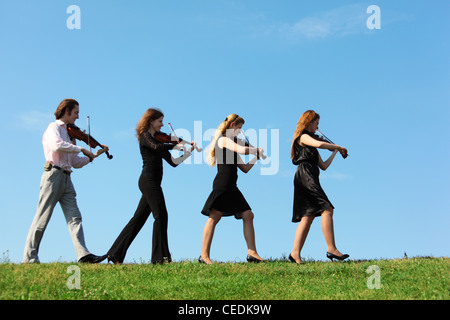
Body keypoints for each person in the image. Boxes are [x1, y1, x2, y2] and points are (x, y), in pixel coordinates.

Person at [23, 98, 109, 264]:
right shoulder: (53, 128)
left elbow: (75, 162)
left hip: (67, 178)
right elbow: (56, 145)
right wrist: (82, 148)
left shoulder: (71, 136)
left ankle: (83, 255)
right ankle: (29, 258)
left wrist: (93, 156)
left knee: (75, 217)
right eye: (76, 113)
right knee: (42, 217)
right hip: (53, 176)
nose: (77, 117)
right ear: (66, 111)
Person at [106, 108, 195, 264]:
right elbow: (157, 148)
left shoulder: (158, 140)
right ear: (150, 121)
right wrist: (176, 145)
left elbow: (173, 162)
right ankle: (160, 258)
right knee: (161, 215)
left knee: (138, 219)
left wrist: (188, 152)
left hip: (153, 182)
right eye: (159, 121)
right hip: (148, 181)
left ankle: (115, 254)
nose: (162, 124)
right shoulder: (145, 137)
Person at [200, 114, 265, 264]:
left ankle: (252, 253)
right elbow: (242, 150)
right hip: (222, 185)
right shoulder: (223, 140)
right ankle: (204, 255)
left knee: (248, 215)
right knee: (214, 217)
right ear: (232, 126)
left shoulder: (234, 145)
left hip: (232, 187)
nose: (240, 131)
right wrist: (255, 149)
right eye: (239, 128)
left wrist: (256, 157)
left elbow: (245, 168)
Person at [289, 110, 349, 264]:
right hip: (306, 175)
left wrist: (335, 151)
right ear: (308, 122)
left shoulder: (311, 145)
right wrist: (336, 145)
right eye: (316, 123)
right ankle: (332, 248)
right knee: (327, 208)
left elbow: (323, 166)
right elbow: (319, 143)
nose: (317, 127)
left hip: (309, 175)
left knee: (308, 216)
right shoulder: (303, 137)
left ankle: (295, 253)